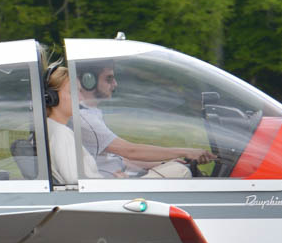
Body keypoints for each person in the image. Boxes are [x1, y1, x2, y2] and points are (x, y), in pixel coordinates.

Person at [73, 62, 212, 177]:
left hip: (122, 177)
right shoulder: (85, 119)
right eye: (109, 79)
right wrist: (185, 151)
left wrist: (161, 163)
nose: (115, 84)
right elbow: (131, 151)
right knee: (181, 172)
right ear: (88, 80)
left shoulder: (92, 114)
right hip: (116, 185)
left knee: (177, 168)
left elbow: (122, 160)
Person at [44, 64, 100, 185]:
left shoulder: (49, 128)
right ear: (52, 97)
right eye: (73, 91)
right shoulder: (61, 133)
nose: (80, 97)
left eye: (80, 91)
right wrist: (111, 181)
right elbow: (76, 181)